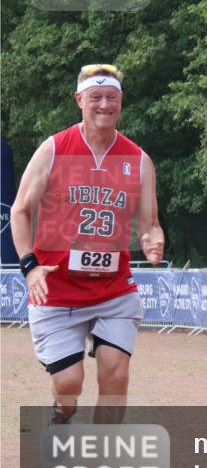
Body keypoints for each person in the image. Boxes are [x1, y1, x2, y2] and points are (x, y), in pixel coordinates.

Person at [10, 64, 164, 425]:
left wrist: (153, 241)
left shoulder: (138, 160)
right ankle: (62, 411)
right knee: (69, 384)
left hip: (114, 290)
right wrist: (30, 266)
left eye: (112, 97)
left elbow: (151, 224)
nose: (104, 105)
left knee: (116, 375)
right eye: (96, 97)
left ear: (121, 102)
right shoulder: (53, 150)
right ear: (79, 99)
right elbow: (20, 211)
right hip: (57, 289)